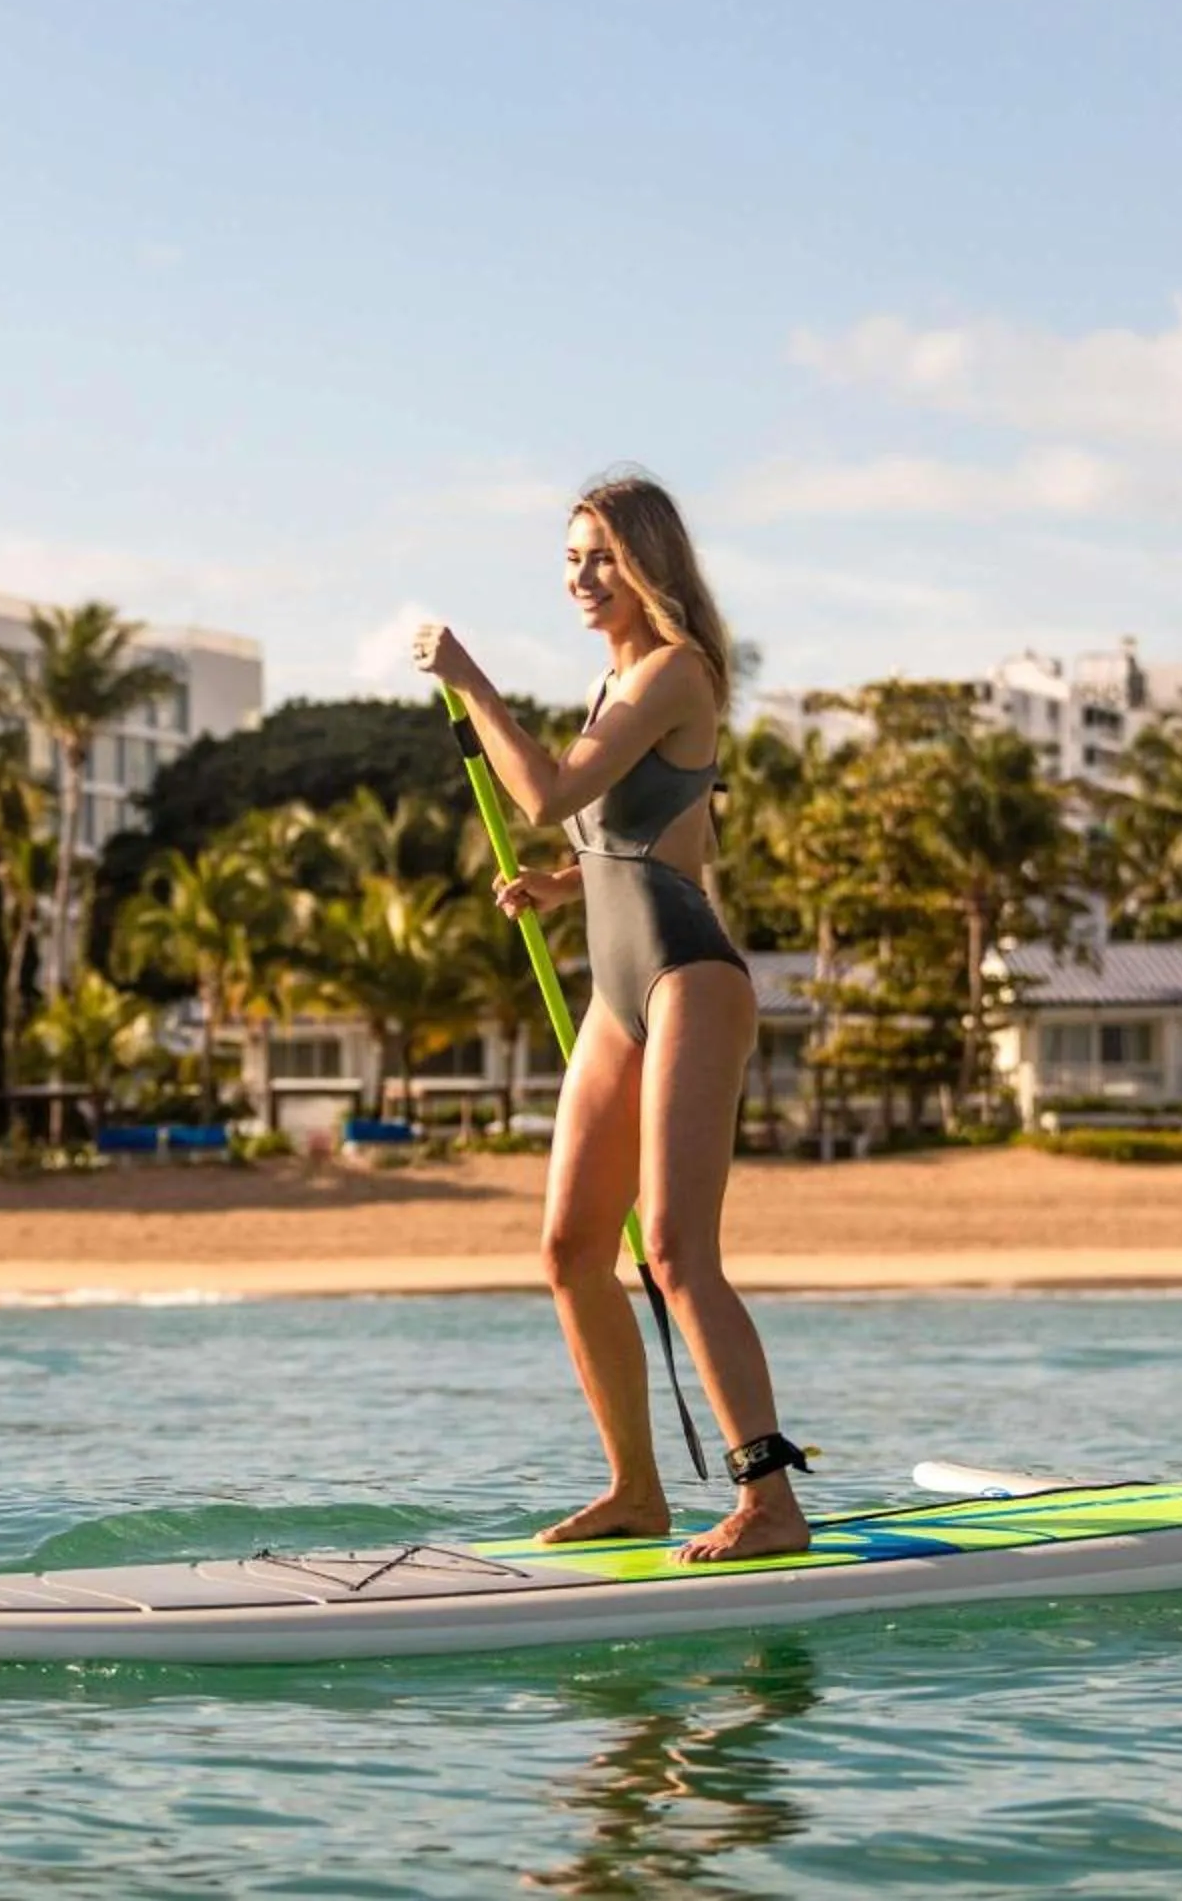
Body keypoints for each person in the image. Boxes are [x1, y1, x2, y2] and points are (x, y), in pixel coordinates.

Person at [414, 472, 809, 1564]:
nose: (582, 579)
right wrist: (556, 884)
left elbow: (543, 791)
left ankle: (771, 1502)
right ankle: (637, 1489)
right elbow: (613, 835)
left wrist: (470, 678)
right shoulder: (614, 683)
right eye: (571, 560)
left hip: (688, 974)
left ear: (647, 564)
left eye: (600, 558)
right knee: (570, 1249)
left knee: (678, 1252)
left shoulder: (679, 672)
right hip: (617, 991)